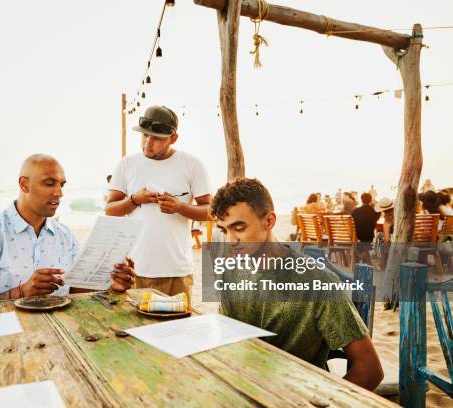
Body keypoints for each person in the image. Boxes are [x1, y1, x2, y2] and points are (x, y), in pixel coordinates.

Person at [211, 178, 383, 391]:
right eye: (224, 230)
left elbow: (370, 369)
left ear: (269, 220)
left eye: (239, 228)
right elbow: (227, 340)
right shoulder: (230, 273)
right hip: (245, 384)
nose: (230, 240)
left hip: (299, 392)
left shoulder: (317, 281)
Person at [0, 154, 136, 303]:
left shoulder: (66, 237)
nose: (59, 193)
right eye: (49, 183)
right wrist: (22, 292)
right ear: (24, 184)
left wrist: (112, 286)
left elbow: (78, 294)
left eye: (61, 185)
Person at [106, 105, 212, 304]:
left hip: (177, 272)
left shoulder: (191, 164)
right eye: (145, 135)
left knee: (178, 332)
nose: (148, 143)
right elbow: (110, 210)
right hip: (134, 272)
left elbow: (211, 211)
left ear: (173, 138)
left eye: (157, 138)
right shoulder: (127, 164)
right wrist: (134, 200)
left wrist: (179, 207)